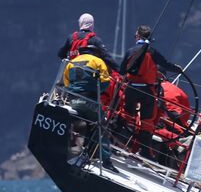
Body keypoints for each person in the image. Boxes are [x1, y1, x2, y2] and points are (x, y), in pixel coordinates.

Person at [119, 25, 182, 160]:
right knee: (147, 120)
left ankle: (116, 137)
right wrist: (178, 70)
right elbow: (165, 64)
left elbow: (122, 70)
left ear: (138, 36)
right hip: (147, 90)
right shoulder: (152, 52)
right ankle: (145, 151)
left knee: (127, 113)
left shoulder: (130, 51)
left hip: (132, 87)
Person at [62, 44, 117, 172]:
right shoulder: (97, 61)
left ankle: (81, 152)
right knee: (101, 125)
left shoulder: (71, 62)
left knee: (83, 123)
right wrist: (96, 91)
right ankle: (106, 161)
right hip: (89, 101)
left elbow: (66, 82)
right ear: (96, 52)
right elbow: (105, 82)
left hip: (73, 101)